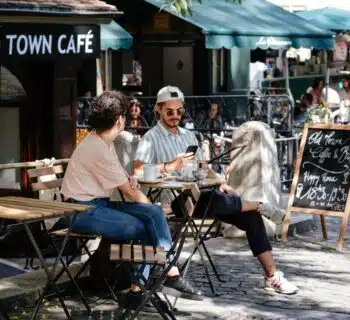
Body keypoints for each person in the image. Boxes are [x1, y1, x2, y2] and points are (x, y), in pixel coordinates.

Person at [134, 86, 299, 295]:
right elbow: (138, 170)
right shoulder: (150, 138)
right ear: (158, 110)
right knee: (218, 200)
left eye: (179, 111)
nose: (175, 116)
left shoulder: (188, 135)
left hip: (199, 196)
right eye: (169, 111)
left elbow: (203, 166)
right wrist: (169, 166)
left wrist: (219, 181)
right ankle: (258, 203)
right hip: (171, 203)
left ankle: (272, 276)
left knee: (250, 216)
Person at [61, 91, 203, 311]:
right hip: (81, 211)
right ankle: (165, 273)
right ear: (119, 119)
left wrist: (138, 190)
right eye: (125, 115)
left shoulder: (101, 140)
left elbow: (124, 180)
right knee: (146, 223)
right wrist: (143, 199)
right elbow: (129, 193)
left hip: (98, 205)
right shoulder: (98, 147)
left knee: (154, 214)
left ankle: (145, 287)